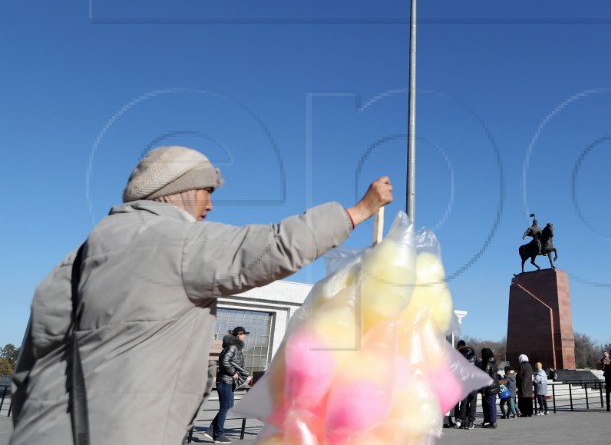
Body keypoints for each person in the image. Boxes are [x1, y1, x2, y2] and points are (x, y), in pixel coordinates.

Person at [10, 146, 392, 445]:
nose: (210, 205)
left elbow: (26, 371)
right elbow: (270, 248)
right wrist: (359, 210)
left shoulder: (72, 261)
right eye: (206, 191)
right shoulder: (172, 241)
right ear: (178, 190)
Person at [205, 327, 250, 443]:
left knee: (228, 406)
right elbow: (224, 361)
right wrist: (233, 373)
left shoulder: (235, 347)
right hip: (225, 380)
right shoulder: (233, 347)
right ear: (239, 335)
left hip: (228, 381)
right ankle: (219, 434)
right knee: (225, 407)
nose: (245, 336)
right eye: (244, 334)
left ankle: (211, 431)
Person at [456, 341, 478, 430]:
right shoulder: (474, 356)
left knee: (463, 403)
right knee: (472, 402)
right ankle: (471, 422)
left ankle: (463, 422)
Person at [479, 348, 498, 428]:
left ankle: (492, 422)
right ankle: (488, 420)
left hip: (488, 387)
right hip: (493, 386)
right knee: (489, 404)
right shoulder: (494, 363)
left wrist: (483, 390)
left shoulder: (487, 364)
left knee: (489, 405)